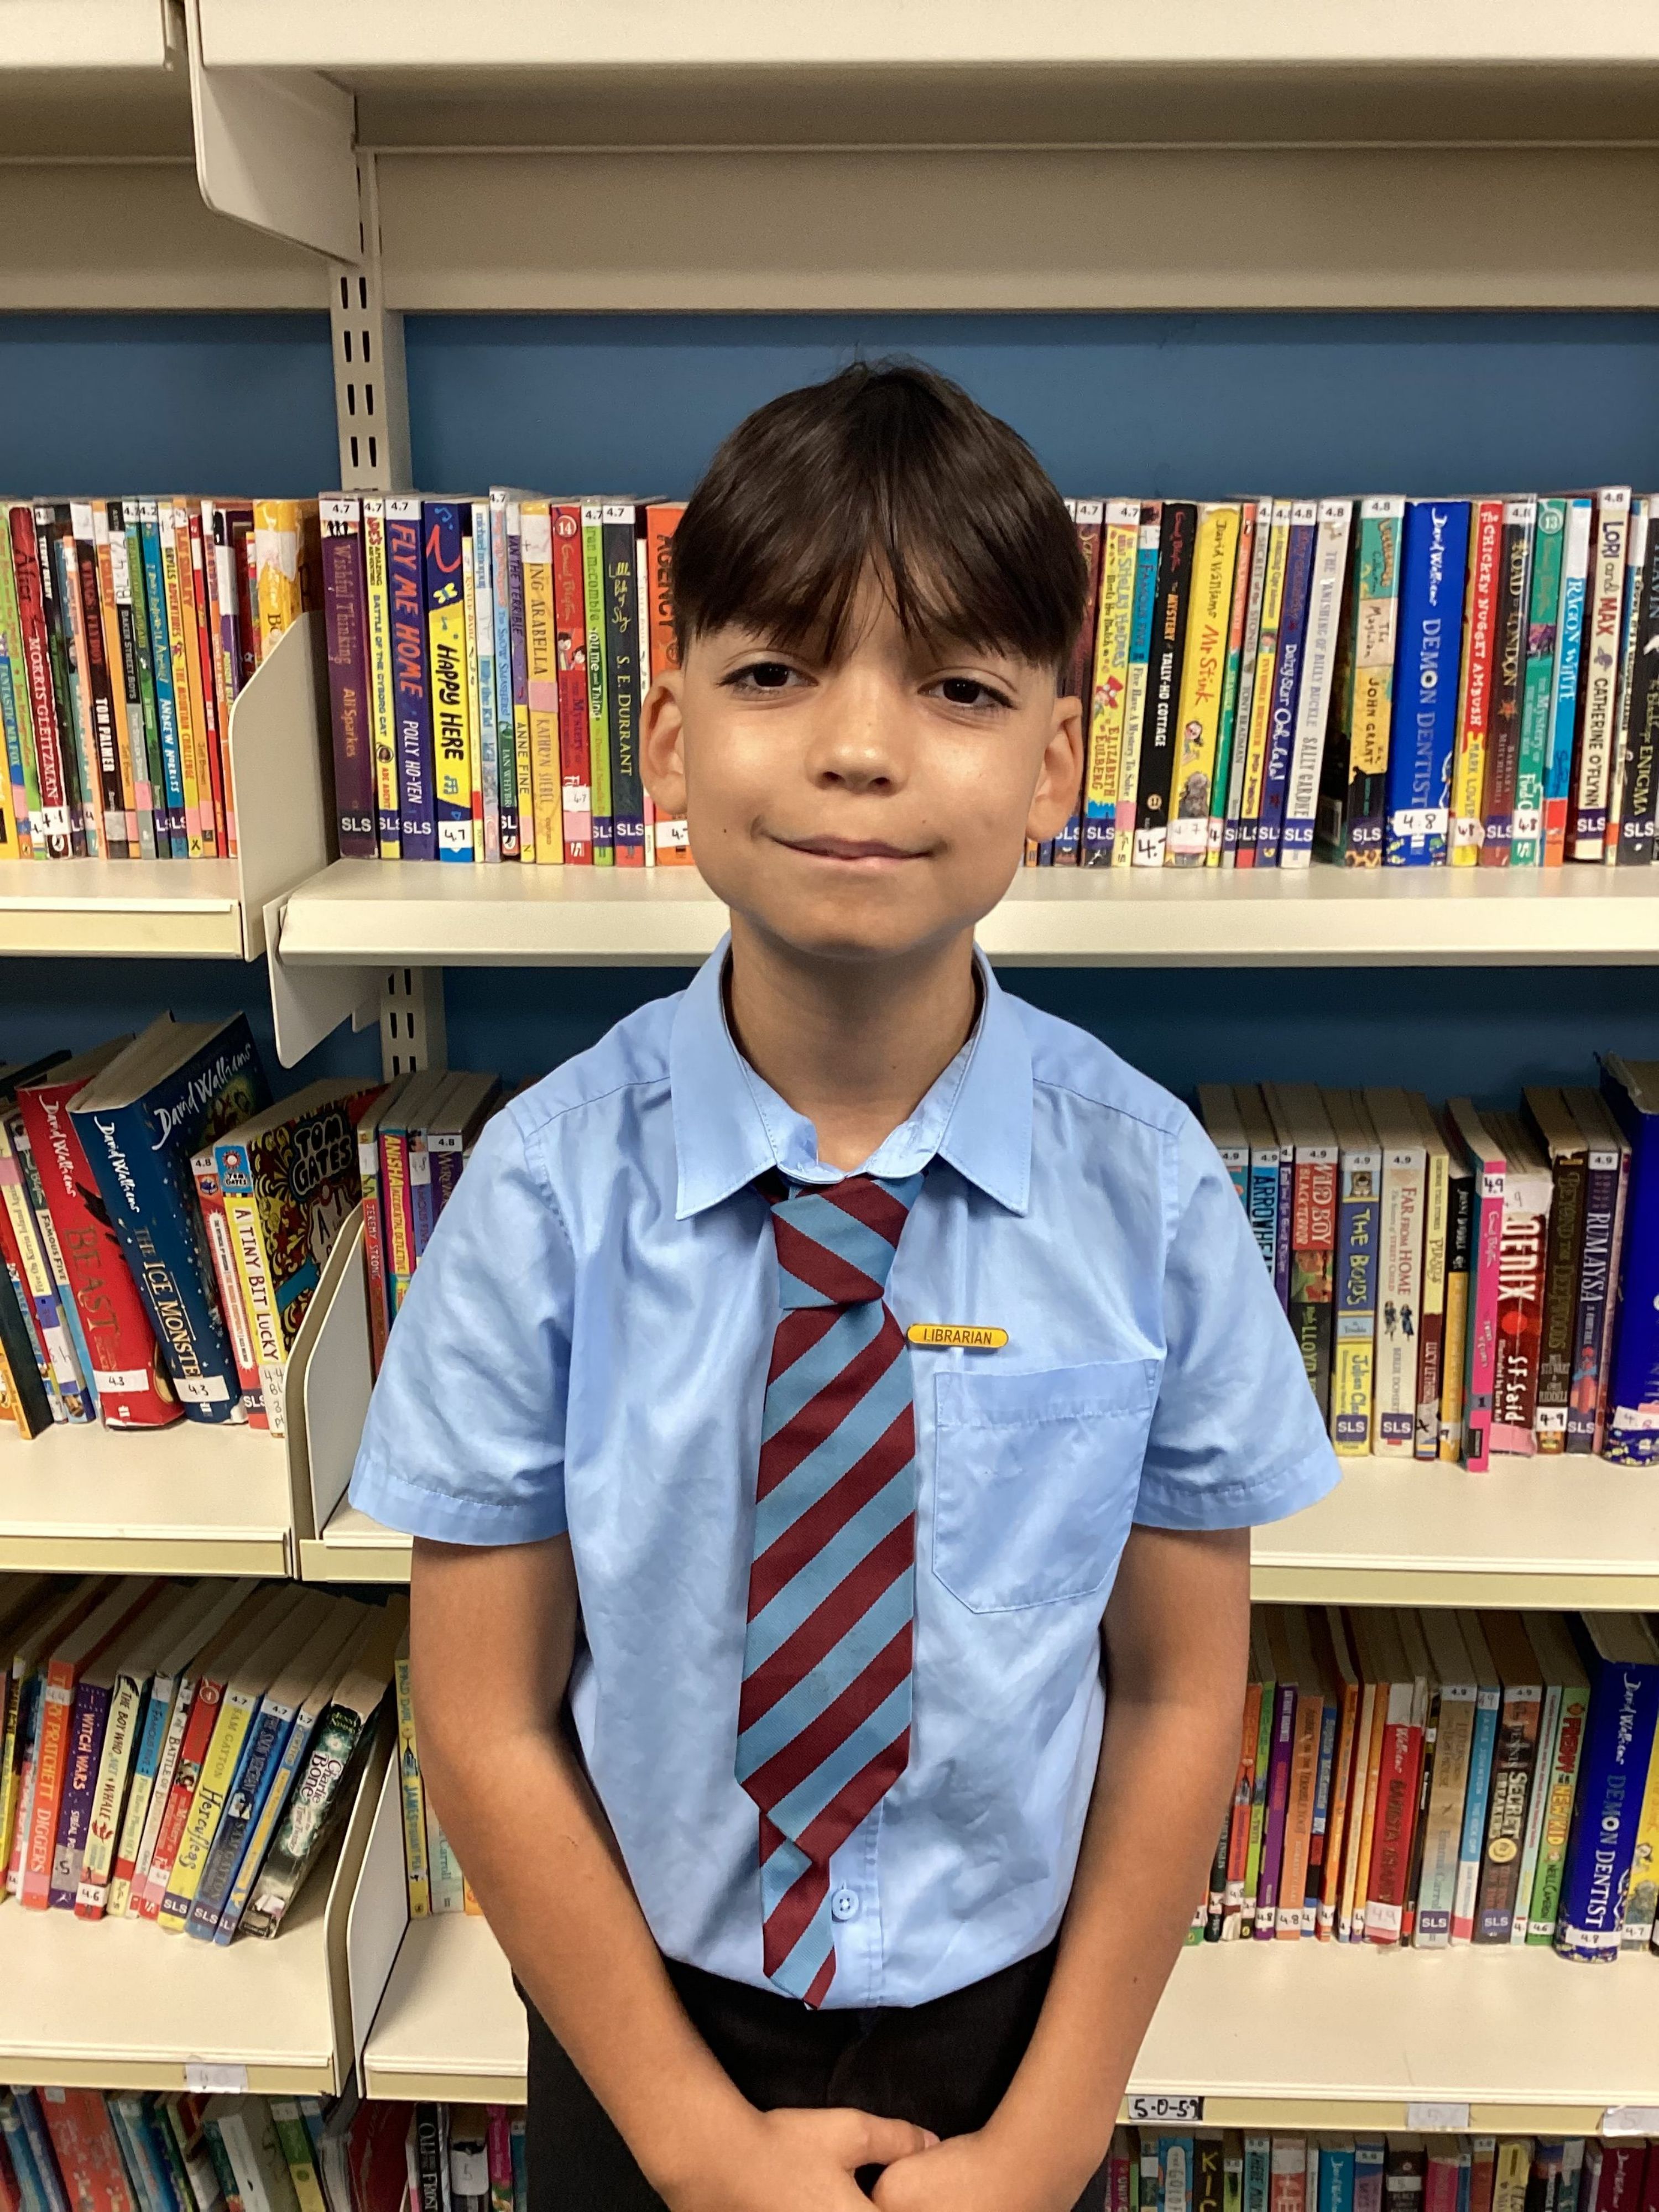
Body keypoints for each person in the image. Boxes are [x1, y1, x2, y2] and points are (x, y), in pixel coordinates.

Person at [349, 360, 1339, 2212]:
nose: (861, 749)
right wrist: (693, 2142)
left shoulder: (1146, 1194)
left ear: (1054, 765)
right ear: (667, 739)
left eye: (958, 688)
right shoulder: (544, 1194)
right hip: (644, 2026)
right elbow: (484, 1716)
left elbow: (1176, 1697)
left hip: (1014, 2036)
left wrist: (1049, 2141)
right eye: (777, 673)